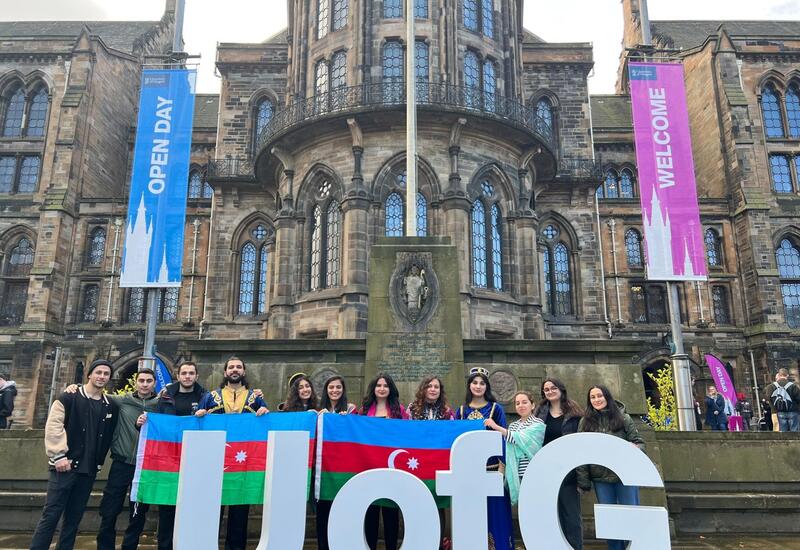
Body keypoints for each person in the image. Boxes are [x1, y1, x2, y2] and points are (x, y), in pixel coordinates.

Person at [30, 359, 119, 550]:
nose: (102, 376)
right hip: (64, 467)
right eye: (98, 372)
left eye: (106, 374)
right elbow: (54, 426)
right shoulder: (68, 397)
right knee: (51, 515)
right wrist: (59, 456)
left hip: (88, 470)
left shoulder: (109, 405)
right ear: (89, 374)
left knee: (73, 519)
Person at [195, 356, 268, 550]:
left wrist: (264, 412)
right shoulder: (210, 397)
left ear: (243, 372)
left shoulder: (255, 398)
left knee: (239, 513)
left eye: (238, 367)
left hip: (242, 464)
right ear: (225, 372)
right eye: (231, 367)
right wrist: (200, 416)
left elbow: (264, 429)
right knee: (212, 510)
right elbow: (197, 429)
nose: (234, 370)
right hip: (215, 463)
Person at [95, 367, 160, 550]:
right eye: (141, 381)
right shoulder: (123, 400)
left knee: (138, 511)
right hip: (122, 463)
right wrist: (74, 387)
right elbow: (97, 392)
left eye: (149, 381)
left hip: (145, 466)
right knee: (110, 509)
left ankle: (129, 546)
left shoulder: (160, 404)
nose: (145, 384)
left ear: (154, 383)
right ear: (136, 382)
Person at [576, 385, 645, 550]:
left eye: (599, 395)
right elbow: (580, 451)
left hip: (625, 477)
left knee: (631, 517)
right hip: (601, 479)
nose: (596, 399)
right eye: (592, 397)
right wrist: (584, 481)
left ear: (607, 397)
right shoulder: (585, 422)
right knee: (609, 521)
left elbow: (639, 442)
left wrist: (636, 448)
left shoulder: (623, 418)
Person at [454, 367, 514, 550]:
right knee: (472, 513)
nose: (478, 386)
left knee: (495, 513)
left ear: (486, 387)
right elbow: (455, 440)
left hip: (493, 468)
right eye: (474, 382)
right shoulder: (461, 411)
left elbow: (504, 439)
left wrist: (502, 469)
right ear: (469, 385)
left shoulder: (496, 409)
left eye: (482, 383)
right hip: (470, 470)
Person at [155, 361, 206, 550]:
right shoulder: (166, 396)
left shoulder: (205, 397)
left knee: (191, 507)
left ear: (196, 376)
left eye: (191, 373)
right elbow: (157, 421)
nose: (187, 376)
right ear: (178, 375)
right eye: (184, 373)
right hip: (170, 457)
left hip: (195, 460)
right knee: (167, 508)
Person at [356, 373, 408, 550]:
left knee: (391, 515)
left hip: (392, 469)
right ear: (374, 388)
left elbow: (407, 435)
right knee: (370, 515)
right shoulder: (364, 410)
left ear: (390, 389)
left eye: (385, 385)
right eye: (379, 385)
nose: (382, 388)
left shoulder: (399, 411)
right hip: (368, 468)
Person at [533, 378, 584, 550]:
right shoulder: (540, 412)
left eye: (553, 388)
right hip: (546, 471)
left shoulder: (575, 412)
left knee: (571, 516)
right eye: (546, 389)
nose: (549, 391)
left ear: (561, 389)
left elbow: (581, 443)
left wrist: (581, 475)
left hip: (569, 472)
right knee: (551, 515)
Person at [408, 375, 454, 550]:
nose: (433, 389)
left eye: (437, 387)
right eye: (430, 386)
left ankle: (438, 542)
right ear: (424, 389)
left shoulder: (447, 412)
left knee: (438, 503)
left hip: (438, 463)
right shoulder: (412, 409)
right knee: (418, 503)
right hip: (417, 463)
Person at [316, 375, 356, 550]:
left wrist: (346, 420)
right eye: (331, 387)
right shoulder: (317, 410)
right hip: (323, 468)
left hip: (343, 468)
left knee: (343, 511)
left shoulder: (352, 410)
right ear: (326, 390)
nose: (335, 391)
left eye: (338, 387)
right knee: (323, 511)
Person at [485, 390, 545, 505]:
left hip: (531, 471)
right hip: (516, 472)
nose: (521, 406)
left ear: (532, 405)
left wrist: (496, 427)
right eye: (517, 403)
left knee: (533, 506)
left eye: (524, 402)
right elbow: (511, 445)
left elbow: (517, 438)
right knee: (522, 508)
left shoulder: (538, 424)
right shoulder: (513, 426)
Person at [764, 368, 800, 432]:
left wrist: (774, 407)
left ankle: (783, 442)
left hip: (779, 412)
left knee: (782, 432)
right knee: (794, 432)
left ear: (779, 375)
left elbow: (768, 398)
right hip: (793, 411)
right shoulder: (793, 386)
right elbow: (798, 398)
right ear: (787, 375)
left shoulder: (770, 386)